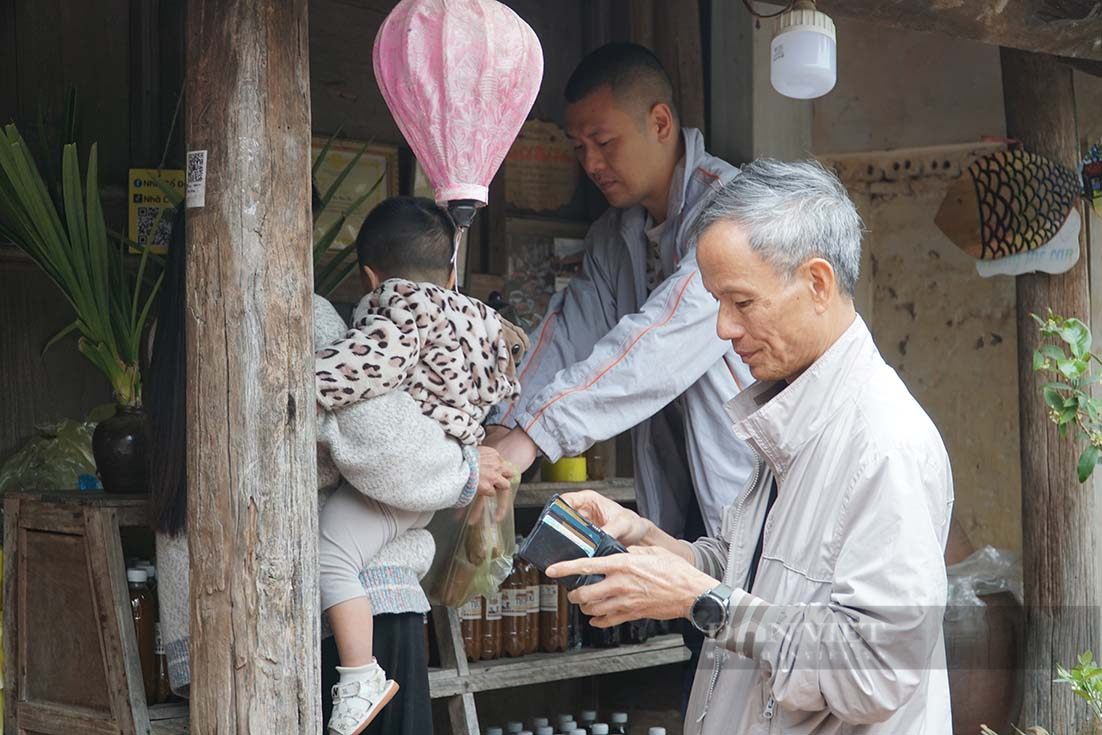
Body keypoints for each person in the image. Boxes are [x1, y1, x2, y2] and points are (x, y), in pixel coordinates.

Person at [545, 159, 954, 734]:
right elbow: (751, 573)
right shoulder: (792, 413)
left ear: (817, 283)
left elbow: (874, 672)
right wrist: (656, 545)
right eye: (716, 302)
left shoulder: (886, 445)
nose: (723, 328)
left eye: (741, 302)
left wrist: (700, 599)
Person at [146, 206, 514, 735]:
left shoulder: (167, 333)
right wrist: (462, 467)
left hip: (226, 618)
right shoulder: (298, 313)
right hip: (351, 612)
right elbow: (376, 434)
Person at [487, 41, 754, 544]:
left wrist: (533, 434)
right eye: (578, 146)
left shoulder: (733, 212)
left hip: (753, 487)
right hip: (686, 499)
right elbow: (567, 336)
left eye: (604, 141)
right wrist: (500, 424)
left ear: (659, 123)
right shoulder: (612, 237)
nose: (591, 162)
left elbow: (661, 340)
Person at [312, 196, 527, 734]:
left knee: (327, 556)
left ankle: (360, 676)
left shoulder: (402, 312)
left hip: (394, 490)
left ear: (370, 276)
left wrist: (295, 377)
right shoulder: (474, 317)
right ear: (451, 271)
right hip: (432, 481)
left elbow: (357, 372)